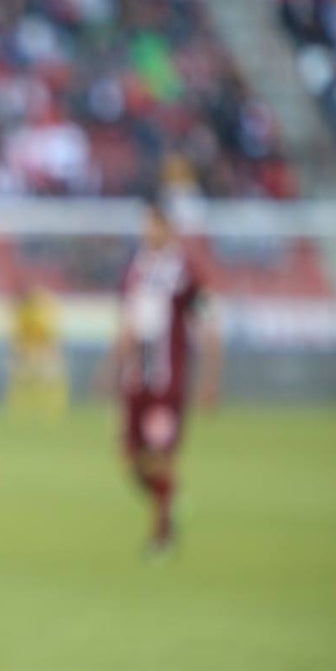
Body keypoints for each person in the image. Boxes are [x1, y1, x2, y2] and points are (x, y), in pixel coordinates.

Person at [99, 200, 221, 557]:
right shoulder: (135, 269)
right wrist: (111, 369)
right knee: (130, 459)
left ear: (167, 228)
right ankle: (170, 497)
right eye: (144, 225)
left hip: (167, 381)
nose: (146, 231)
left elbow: (209, 322)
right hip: (137, 380)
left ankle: (162, 536)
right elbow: (129, 325)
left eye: (152, 224)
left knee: (158, 455)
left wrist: (210, 379)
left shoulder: (185, 270)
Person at [6, 277, 67, 422]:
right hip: (26, 351)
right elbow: (15, 333)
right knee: (22, 383)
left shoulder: (43, 308)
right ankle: (21, 413)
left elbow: (50, 332)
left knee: (48, 382)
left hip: (44, 350)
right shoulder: (19, 310)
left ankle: (52, 412)